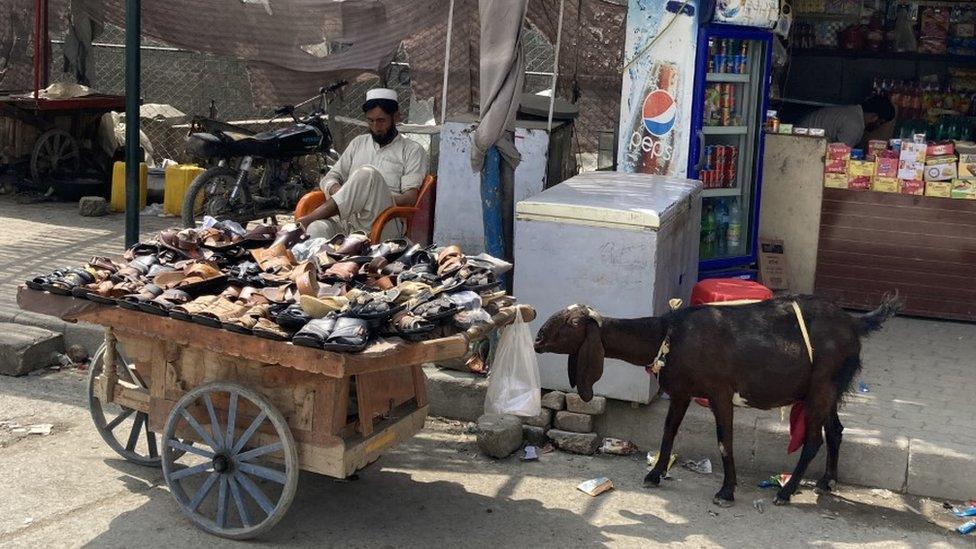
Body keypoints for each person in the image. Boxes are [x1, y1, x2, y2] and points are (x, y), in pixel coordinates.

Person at [297, 88, 428, 239]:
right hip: (348, 220)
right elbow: (329, 178)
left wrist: (371, 197)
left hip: (384, 221)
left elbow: (410, 198)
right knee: (316, 229)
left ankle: (303, 222)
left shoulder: (412, 150)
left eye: (381, 120)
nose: (375, 127)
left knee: (367, 174)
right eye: (370, 121)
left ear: (396, 117)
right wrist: (344, 193)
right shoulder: (358, 143)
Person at [798, 95, 896, 148]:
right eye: (880, 123)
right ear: (874, 117)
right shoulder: (855, 125)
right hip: (802, 145)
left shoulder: (851, 112)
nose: (878, 127)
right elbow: (839, 154)